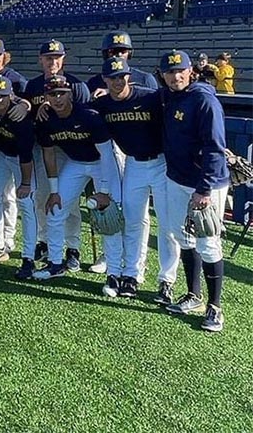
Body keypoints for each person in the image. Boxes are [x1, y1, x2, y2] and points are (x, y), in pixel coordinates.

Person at [159, 50, 230, 332]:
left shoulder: (203, 99)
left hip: (205, 184)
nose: (175, 76)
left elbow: (215, 147)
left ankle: (215, 307)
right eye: (169, 72)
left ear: (191, 72)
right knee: (183, 237)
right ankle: (194, 294)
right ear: (162, 74)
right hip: (178, 178)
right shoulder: (169, 96)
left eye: (180, 71)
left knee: (208, 242)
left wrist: (204, 189)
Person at [90, 57, 169, 300]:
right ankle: (131, 275)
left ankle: (167, 280)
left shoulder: (149, 96)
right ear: (105, 79)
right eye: (112, 77)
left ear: (129, 76)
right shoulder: (103, 105)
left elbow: (181, 105)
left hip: (162, 163)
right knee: (133, 220)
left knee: (168, 225)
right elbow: (77, 108)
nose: (117, 81)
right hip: (134, 163)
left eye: (121, 76)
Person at [33, 75, 121, 290]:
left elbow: (107, 154)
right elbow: (49, 155)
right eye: (52, 95)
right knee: (55, 210)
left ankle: (115, 273)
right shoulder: (46, 119)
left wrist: (105, 191)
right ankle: (55, 263)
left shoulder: (88, 115)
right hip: (76, 162)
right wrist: (53, 191)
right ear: (46, 97)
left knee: (110, 217)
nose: (57, 99)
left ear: (70, 93)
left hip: (103, 163)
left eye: (61, 93)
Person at [24, 39, 90, 269]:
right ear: (40, 59)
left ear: (63, 59)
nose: (53, 61)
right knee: (43, 196)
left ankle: (72, 247)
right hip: (45, 148)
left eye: (57, 57)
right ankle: (44, 241)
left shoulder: (75, 84)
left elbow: (84, 115)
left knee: (68, 201)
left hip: (72, 149)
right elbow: (28, 118)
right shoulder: (32, 86)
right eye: (48, 57)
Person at [0, 75, 37, 279]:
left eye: (3, 96)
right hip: (0, 153)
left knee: (27, 202)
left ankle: (28, 256)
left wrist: (26, 183)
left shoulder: (20, 116)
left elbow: (26, 155)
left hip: (22, 158)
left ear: (11, 96)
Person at [85, 31, 158, 94]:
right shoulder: (93, 83)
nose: (119, 55)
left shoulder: (145, 79)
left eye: (123, 51)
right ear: (105, 54)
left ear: (129, 54)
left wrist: (110, 92)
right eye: (113, 51)